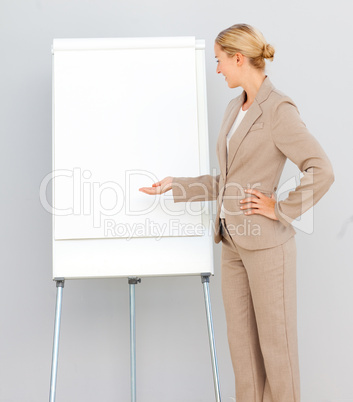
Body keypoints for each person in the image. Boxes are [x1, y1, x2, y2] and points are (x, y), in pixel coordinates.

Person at [139, 23, 334, 402]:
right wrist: (176, 186)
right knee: (243, 354)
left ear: (238, 59)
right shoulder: (235, 108)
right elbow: (228, 179)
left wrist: (281, 208)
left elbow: (321, 169)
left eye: (219, 61)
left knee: (277, 352)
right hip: (231, 244)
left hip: (268, 248)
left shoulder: (278, 109)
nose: (217, 70)